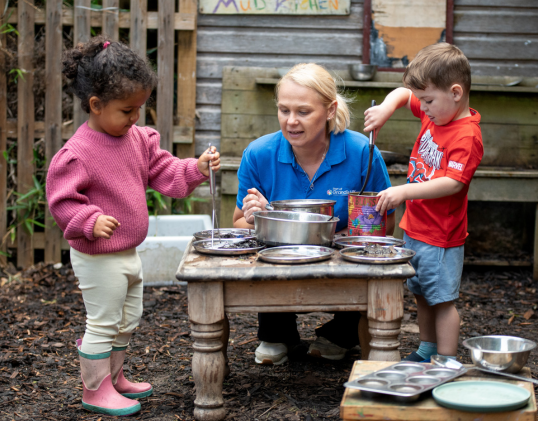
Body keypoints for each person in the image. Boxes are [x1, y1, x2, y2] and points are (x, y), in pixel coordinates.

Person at [46, 36, 220, 416]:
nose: (135, 118)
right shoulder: (78, 153)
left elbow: (163, 170)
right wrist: (90, 220)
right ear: (96, 105)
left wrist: (195, 168)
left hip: (127, 252)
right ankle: (95, 390)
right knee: (104, 321)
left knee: (127, 318)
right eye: (127, 110)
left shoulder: (137, 139)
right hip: (97, 257)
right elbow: (61, 201)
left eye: (140, 108)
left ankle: (114, 377)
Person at [233, 63, 395, 365]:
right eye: (284, 110)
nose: (291, 121)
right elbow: (239, 222)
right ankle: (277, 332)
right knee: (268, 252)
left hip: (343, 258)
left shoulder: (362, 151)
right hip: (280, 261)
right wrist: (256, 218)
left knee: (366, 261)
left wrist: (353, 236)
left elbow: (385, 222)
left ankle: (341, 334)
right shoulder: (259, 154)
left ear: (330, 110)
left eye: (303, 112)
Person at [366, 43, 483, 362]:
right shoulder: (436, 111)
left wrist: (403, 191)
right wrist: (387, 108)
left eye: (428, 100)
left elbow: (453, 183)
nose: (423, 107)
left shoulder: (466, 136)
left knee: (442, 300)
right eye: (422, 100)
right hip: (416, 229)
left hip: (441, 237)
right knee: (421, 293)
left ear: (456, 93)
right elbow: (404, 95)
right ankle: (427, 348)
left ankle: (446, 360)